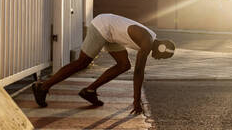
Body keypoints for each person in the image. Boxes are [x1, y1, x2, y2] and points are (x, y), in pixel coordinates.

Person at [32, 13, 175, 114]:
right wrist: (136, 101)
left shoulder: (150, 40)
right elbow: (138, 72)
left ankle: (89, 91)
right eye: (163, 57)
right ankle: (42, 87)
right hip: (103, 26)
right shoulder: (147, 41)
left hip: (112, 35)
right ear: (162, 48)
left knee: (124, 65)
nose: (159, 59)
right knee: (83, 62)